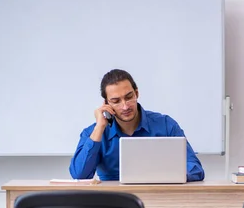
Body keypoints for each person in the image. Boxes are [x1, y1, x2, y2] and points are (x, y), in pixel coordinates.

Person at [69, 69, 205, 182]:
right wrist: (100, 127)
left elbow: (195, 168)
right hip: (114, 201)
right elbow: (79, 175)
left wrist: (167, 177)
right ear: (106, 103)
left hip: (160, 196)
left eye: (129, 97)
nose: (125, 106)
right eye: (116, 101)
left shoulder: (165, 124)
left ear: (137, 94)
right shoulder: (94, 132)